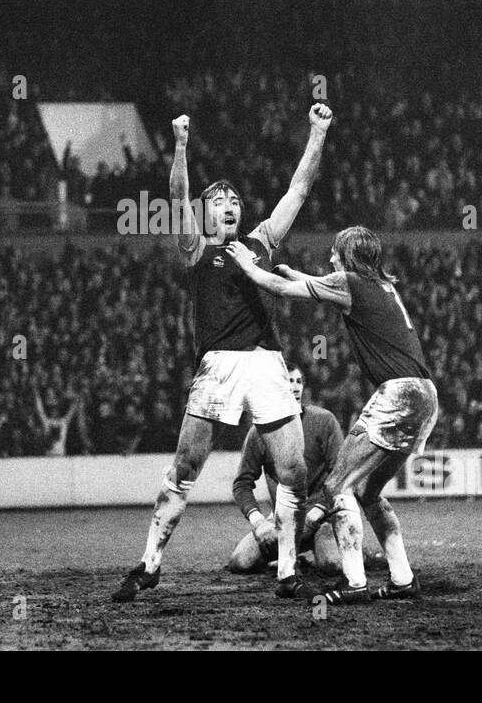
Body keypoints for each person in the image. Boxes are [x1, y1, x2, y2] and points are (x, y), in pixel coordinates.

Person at [112, 104, 332, 602]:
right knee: (186, 465)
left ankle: (288, 571)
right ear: (206, 212)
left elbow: (298, 188)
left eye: (234, 199)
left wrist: (317, 132)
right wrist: (182, 145)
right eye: (219, 200)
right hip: (217, 365)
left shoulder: (260, 242)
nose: (229, 204)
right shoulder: (197, 248)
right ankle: (150, 563)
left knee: (293, 470)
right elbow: (175, 194)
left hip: (265, 361)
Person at [227, 224, 437, 604]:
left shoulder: (349, 282)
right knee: (368, 493)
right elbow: (318, 286)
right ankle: (402, 578)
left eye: (334, 253)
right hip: (426, 396)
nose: (329, 258)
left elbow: (281, 290)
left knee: (337, 486)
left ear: (348, 256)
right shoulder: (380, 287)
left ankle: (355, 582)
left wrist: (248, 266)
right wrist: (300, 275)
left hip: (398, 393)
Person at [227, 366, 391, 576]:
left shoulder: (324, 421)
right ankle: (295, 556)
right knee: (240, 562)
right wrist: (259, 522)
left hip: (322, 517)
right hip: (284, 519)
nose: (294, 387)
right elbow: (242, 483)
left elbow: (339, 474)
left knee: (331, 565)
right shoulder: (258, 432)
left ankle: (359, 553)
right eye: (288, 381)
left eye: (298, 381)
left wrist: (318, 512)